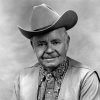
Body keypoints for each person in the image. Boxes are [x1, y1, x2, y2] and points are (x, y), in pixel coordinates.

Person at [11, 3, 100, 100]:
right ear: (33, 46)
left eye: (56, 42)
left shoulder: (87, 79)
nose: (49, 50)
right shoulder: (22, 78)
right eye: (41, 44)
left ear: (67, 42)